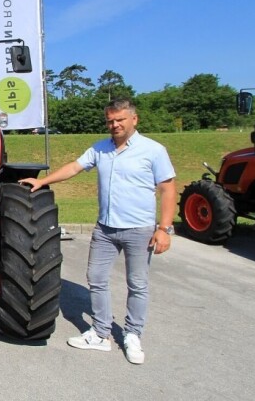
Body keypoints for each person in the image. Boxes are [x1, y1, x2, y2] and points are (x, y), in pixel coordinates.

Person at [19, 99, 176, 364]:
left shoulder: (153, 150)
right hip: (105, 228)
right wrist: (43, 181)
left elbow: (168, 188)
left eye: (120, 120)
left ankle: (133, 335)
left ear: (134, 120)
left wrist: (164, 228)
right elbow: (74, 168)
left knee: (137, 284)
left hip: (139, 229)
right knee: (96, 279)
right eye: (110, 121)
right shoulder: (101, 149)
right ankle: (101, 333)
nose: (114, 125)